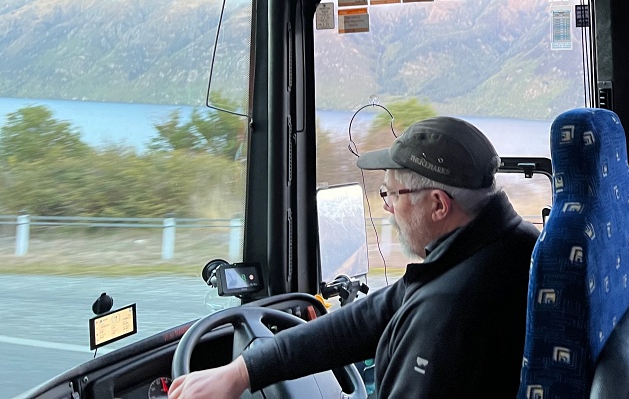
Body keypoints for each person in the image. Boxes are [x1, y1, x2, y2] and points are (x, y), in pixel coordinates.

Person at [167, 116, 540, 399]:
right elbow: (364, 320)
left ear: (438, 205)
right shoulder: (503, 246)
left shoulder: (450, 310)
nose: (387, 207)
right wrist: (241, 372)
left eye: (391, 194)